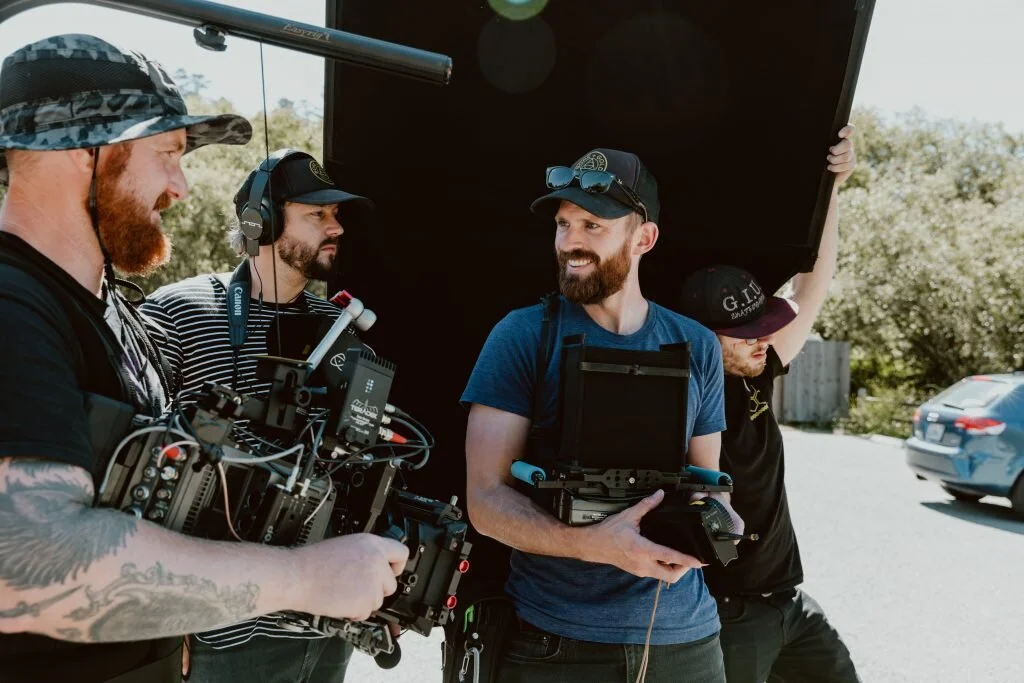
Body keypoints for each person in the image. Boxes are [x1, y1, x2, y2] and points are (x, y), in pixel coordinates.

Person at [0, 34, 407, 683]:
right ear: (82, 151)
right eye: (165, 154)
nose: (181, 186)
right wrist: (302, 576)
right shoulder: (14, 307)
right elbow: (22, 567)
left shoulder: (104, 315)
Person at [462, 148, 741, 682]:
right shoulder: (522, 336)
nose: (569, 242)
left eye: (592, 224)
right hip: (555, 643)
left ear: (644, 239)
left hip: (685, 640)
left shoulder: (698, 345)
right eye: (564, 224)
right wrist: (589, 546)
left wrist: (718, 524)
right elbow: (485, 500)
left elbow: (710, 484)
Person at [140, 149, 374, 682]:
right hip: (215, 630)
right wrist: (158, 620)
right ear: (259, 221)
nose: (336, 226)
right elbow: (136, 468)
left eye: (337, 214)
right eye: (317, 215)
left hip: (322, 626)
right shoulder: (179, 312)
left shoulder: (340, 329)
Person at [679, 126, 860, 683]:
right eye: (746, 332)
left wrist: (833, 189)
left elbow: (813, 286)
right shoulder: (680, 398)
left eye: (764, 328)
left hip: (789, 602)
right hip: (728, 615)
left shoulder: (756, 371)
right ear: (704, 337)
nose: (763, 339)